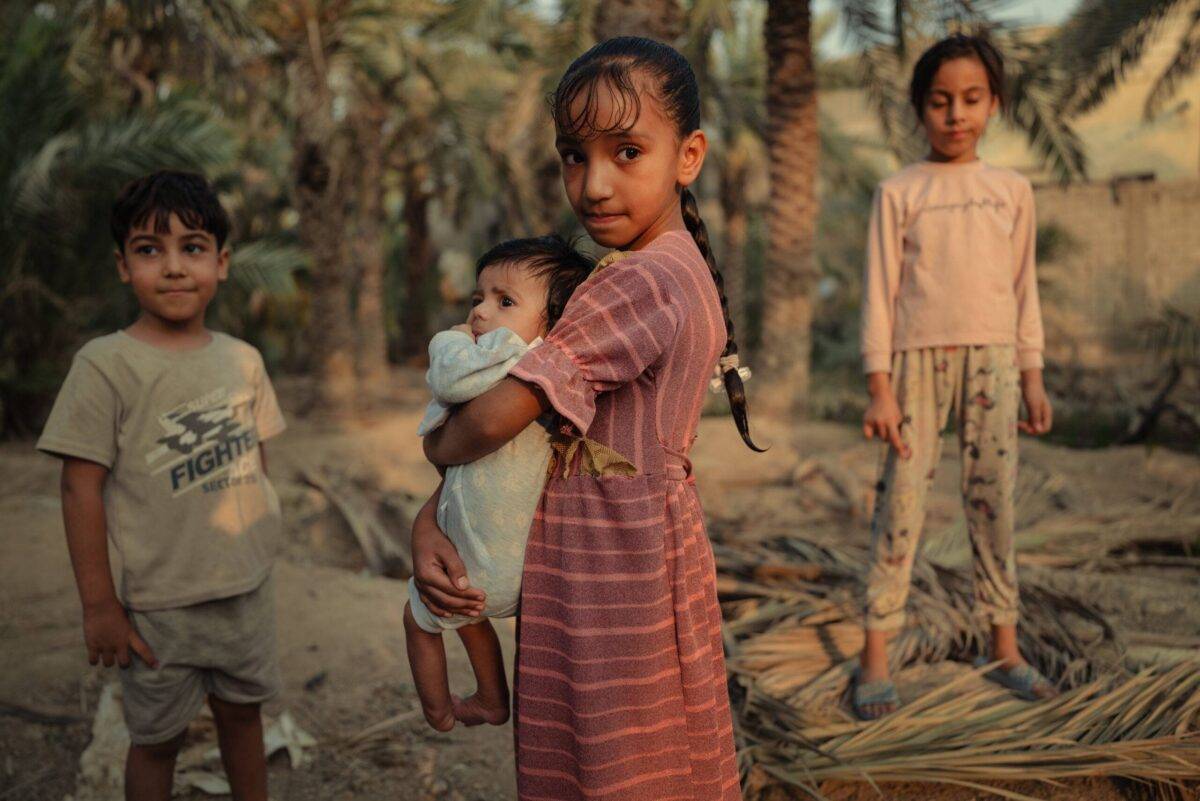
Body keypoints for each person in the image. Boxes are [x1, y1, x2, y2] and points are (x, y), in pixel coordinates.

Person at [412, 36, 760, 801]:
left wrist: (436, 446)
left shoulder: (640, 279)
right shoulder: (660, 268)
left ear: (689, 155)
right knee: (644, 751)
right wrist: (431, 513)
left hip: (614, 568)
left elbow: (505, 413)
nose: (594, 183)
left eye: (627, 150)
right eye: (575, 155)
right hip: (619, 549)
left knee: (614, 762)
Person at [36, 170, 285, 800]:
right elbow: (79, 490)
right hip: (159, 608)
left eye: (193, 247)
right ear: (123, 266)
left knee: (242, 717)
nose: (174, 267)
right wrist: (99, 606)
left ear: (222, 262)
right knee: (156, 741)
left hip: (244, 595)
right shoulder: (105, 366)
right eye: (150, 249)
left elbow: (258, 464)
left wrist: (261, 548)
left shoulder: (243, 360)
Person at [855, 34, 1056, 720]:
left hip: (996, 362)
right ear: (919, 108)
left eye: (971, 99)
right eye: (940, 101)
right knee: (902, 502)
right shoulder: (899, 191)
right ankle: (875, 653)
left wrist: (1032, 374)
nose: (956, 114)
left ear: (993, 104)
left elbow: (1024, 287)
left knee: (992, 502)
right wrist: (879, 383)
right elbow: (879, 293)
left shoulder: (1011, 191)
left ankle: (1004, 645)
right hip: (915, 366)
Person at [404, 235, 594, 731]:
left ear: (551, 324)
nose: (481, 313)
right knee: (468, 613)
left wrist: (447, 338)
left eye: (504, 301)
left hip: (491, 560)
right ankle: (491, 699)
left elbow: (448, 382)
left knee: (418, 617)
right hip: (500, 559)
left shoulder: (514, 355)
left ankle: (437, 711)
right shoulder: (528, 365)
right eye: (478, 299)